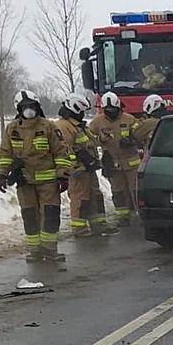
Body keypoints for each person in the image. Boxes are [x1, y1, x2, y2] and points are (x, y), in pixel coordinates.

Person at [0, 90, 73, 261]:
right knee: (29, 215)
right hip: (24, 181)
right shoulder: (12, 129)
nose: (29, 110)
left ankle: (50, 249)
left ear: (37, 107)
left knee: (50, 214)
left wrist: (63, 176)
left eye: (31, 106)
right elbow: (5, 154)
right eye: (25, 107)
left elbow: (61, 153)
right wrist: (2, 174)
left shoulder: (48, 127)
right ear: (19, 109)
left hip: (48, 182)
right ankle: (35, 250)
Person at [56, 92, 115, 238]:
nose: (82, 114)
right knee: (80, 199)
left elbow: (89, 142)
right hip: (78, 171)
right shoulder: (64, 126)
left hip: (89, 168)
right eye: (81, 111)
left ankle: (98, 225)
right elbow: (63, 149)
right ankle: (79, 229)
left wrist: (101, 139)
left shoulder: (77, 125)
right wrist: (75, 164)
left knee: (95, 196)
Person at [88, 92, 141, 227]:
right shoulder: (97, 122)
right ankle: (123, 217)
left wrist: (131, 140)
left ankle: (141, 215)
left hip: (132, 164)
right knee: (118, 192)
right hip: (113, 164)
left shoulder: (130, 119)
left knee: (136, 190)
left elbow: (140, 133)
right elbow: (87, 139)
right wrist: (100, 139)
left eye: (114, 110)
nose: (111, 112)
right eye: (108, 110)